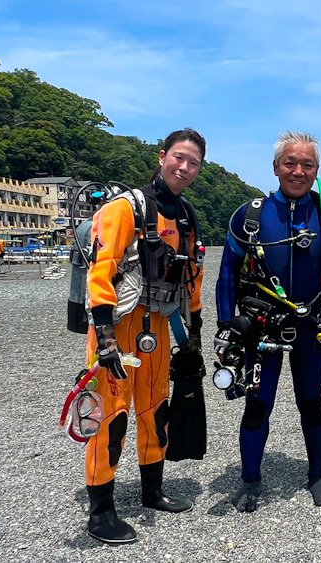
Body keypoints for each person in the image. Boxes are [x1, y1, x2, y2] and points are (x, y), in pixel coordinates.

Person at [214, 131, 321, 512]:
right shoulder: (250, 216)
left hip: (313, 327)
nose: (298, 171)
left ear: (317, 170)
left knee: (312, 404)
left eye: (307, 164)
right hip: (262, 328)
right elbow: (227, 273)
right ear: (276, 167)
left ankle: (317, 474)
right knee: (257, 406)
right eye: (290, 163)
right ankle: (250, 480)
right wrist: (228, 324)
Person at [82, 128, 207, 543]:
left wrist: (194, 337)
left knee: (155, 409)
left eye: (193, 163)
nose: (184, 168)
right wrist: (104, 338)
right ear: (162, 157)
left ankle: (152, 490)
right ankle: (100, 511)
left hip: (159, 327)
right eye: (179, 158)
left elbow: (192, 278)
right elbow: (101, 270)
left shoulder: (186, 215)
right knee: (111, 416)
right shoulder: (125, 209)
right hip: (118, 327)